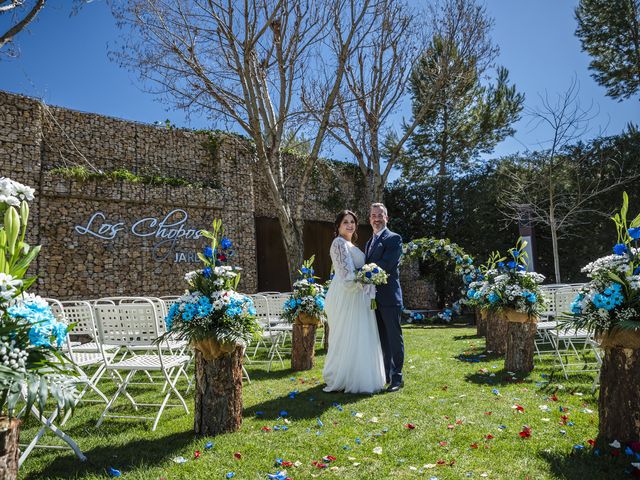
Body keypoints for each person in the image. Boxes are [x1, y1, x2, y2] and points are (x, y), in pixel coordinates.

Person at [322, 210, 386, 394]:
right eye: (345, 222)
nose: (350, 225)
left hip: (359, 294)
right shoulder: (339, 243)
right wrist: (364, 279)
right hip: (346, 294)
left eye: (352, 222)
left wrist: (369, 278)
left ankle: (357, 374)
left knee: (359, 334)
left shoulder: (351, 244)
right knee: (345, 334)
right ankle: (341, 376)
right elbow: (346, 276)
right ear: (338, 226)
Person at [365, 203, 404, 392]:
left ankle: (397, 378)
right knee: (382, 339)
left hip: (390, 298)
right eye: (373, 215)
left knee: (394, 338)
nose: (376, 218)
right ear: (370, 219)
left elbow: (386, 264)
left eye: (380, 215)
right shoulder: (369, 242)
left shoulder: (394, 238)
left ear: (386, 218)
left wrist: (362, 273)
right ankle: (387, 374)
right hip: (374, 299)